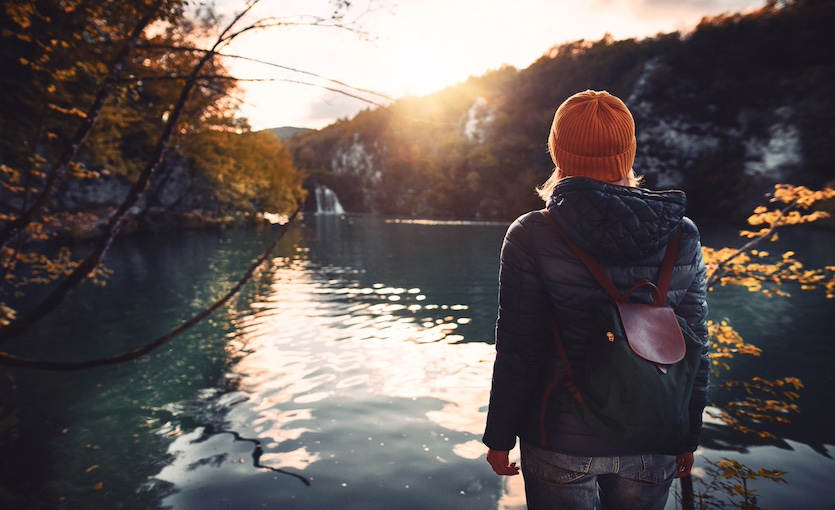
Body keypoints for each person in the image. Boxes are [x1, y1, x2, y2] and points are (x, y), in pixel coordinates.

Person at [482, 90, 710, 509]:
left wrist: (499, 436)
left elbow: (519, 351)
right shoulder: (683, 234)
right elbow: (694, 348)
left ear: (557, 151)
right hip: (654, 433)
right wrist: (688, 434)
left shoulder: (531, 234)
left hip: (559, 438)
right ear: (628, 153)